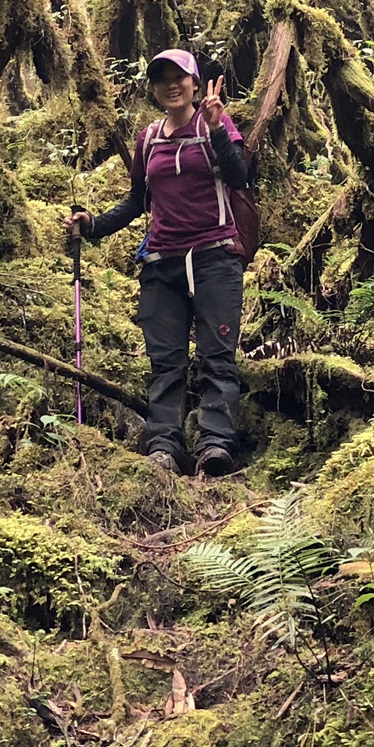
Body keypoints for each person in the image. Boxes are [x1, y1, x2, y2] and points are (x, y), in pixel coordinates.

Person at [65, 48, 250, 478]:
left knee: (216, 357)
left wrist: (218, 127)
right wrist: (93, 224)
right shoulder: (149, 139)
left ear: (195, 82)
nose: (171, 85)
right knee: (165, 362)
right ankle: (165, 445)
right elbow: (136, 201)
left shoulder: (214, 127)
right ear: (153, 87)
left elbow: (240, 177)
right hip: (162, 262)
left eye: (179, 77)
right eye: (161, 78)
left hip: (215, 258)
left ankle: (216, 443)